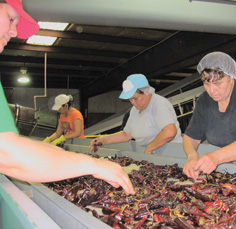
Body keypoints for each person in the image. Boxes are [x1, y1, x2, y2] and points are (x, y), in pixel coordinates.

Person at [0, 0, 135, 195]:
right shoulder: (63, 116)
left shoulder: (75, 114)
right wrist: (90, 164)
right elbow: (7, 153)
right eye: (10, 18)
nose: (14, 32)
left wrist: (59, 150)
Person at [90, 73, 182, 154]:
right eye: (130, 99)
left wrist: (149, 148)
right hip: (154, 155)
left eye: (135, 98)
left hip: (170, 154)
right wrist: (103, 140)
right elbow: (127, 134)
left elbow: (170, 132)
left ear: (146, 91)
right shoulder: (135, 110)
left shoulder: (158, 104)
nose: (133, 103)